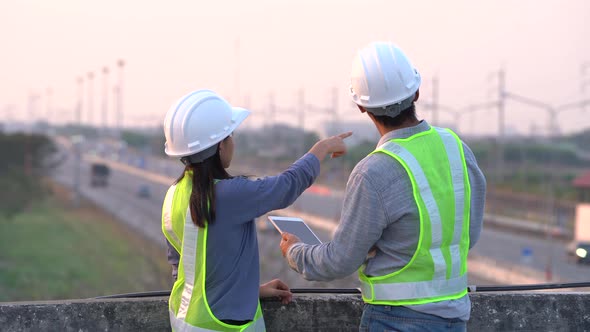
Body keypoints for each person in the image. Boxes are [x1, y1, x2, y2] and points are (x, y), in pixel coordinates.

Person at [280, 41, 486, 331]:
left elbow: (338, 261)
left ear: (361, 106)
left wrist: (295, 251)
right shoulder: (457, 149)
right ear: (416, 91)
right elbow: (466, 233)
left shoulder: (373, 171)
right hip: (455, 317)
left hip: (396, 320)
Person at [161, 89, 352, 331]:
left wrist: (249, 292)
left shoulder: (174, 194)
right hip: (225, 325)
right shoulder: (228, 194)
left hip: (186, 321)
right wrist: (322, 148)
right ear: (220, 146)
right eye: (230, 135)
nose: (233, 142)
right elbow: (286, 185)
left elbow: (188, 272)